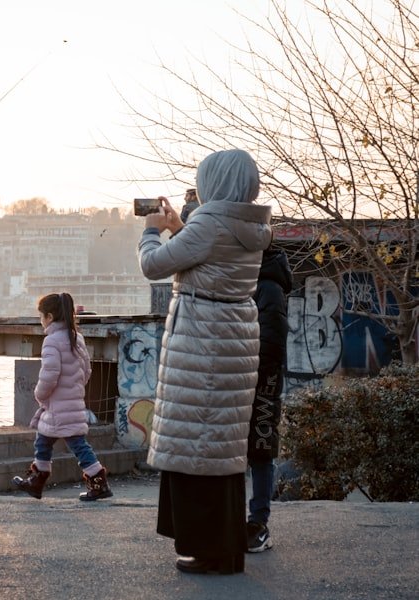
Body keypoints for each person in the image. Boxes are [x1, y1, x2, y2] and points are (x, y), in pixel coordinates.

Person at [137, 149, 272, 575]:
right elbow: (208, 255)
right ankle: (226, 549)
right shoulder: (250, 222)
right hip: (233, 336)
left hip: (202, 340)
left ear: (215, 182)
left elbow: (152, 266)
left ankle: (210, 554)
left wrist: (150, 231)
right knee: (221, 447)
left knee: (195, 447)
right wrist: (181, 226)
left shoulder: (210, 224)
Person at [11, 292, 113, 501]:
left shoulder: (51, 341)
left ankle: (96, 484)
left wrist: (40, 394)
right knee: (48, 441)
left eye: (41, 317)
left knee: (73, 444)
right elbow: (86, 371)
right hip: (73, 402)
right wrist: (73, 388)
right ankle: (37, 483)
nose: (41, 321)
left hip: (57, 406)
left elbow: (49, 375)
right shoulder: (77, 338)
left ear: (49, 317)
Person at [246, 243, 292, 553]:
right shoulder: (255, 280)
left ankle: (258, 523)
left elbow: (271, 341)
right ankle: (247, 521)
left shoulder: (267, 285)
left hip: (262, 379)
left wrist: (251, 369)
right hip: (250, 376)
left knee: (261, 450)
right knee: (243, 450)